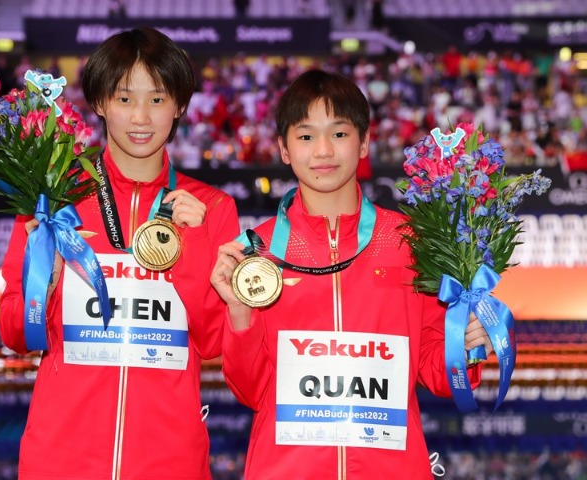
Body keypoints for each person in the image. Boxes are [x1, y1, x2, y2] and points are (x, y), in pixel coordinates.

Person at [210, 69, 493, 478]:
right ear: (284, 149)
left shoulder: (413, 242)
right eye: (306, 136)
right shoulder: (256, 254)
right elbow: (251, 389)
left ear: (363, 142)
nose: (323, 150)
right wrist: (239, 312)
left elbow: (439, 373)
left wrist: (465, 348)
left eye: (339, 133)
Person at [0, 27, 240, 479]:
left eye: (158, 98)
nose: (141, 117)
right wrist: (46, 281)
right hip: (61, 459)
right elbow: (15, 332)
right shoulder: (53, 199)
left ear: (179, 106)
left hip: (169, 463)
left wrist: (192, 248)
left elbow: (214, 342)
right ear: (100, 102)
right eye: (125, 99)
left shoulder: (210, 209)